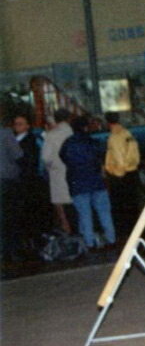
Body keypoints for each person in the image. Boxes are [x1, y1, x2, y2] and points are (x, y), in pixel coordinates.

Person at [59, 116, 116, 251]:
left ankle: (89, 243)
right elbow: (100, 157)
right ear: (85, 127)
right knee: (104, 213)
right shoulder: (93, 142)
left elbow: (63, 158)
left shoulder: (67, 144)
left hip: (77, 183)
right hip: (96, 181)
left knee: (85, 215)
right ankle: (111, 239)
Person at [10, 113, 51, 257]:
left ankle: (34, 243)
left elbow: (29, 162)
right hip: (24, 182)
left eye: (20, 124)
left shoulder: (30, 141)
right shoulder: (16, 140)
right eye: (16, 124)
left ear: (27, 126)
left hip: (29, 182)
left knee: (31, 213)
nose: (17, 126)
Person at [104, 111, 141, 241]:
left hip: (121, 175)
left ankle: (125, 235)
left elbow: (119, 158)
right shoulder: (128, 133)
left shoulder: (113, 137)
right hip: (133, 171)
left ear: (107, 122)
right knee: (133, 205)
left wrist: (117, 174)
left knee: (121, 208)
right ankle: (136, 233)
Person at [42, 108, 74, 234]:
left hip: (57, 171)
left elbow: (45, 157)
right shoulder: (73, 131)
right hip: (74, 171)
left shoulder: (51, 135)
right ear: (69, 118)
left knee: (59, 202)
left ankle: (66, 226)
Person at [1, 123, 23, 263]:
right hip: (6, 179)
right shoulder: (6, 133)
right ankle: (13, 251)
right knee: (10, 217)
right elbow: (18, 154)